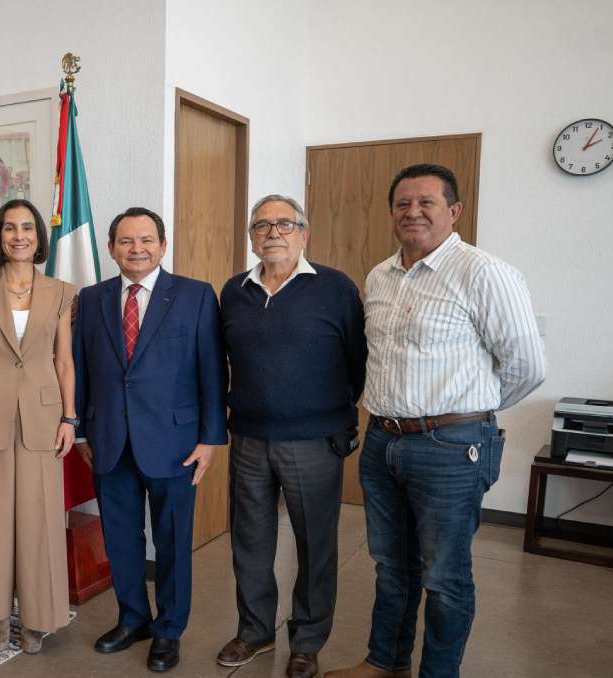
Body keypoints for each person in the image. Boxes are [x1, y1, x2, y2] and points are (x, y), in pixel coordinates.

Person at [325, 164, 545, 678]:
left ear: (454, 210)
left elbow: (528, 367)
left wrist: (468, 415)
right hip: (383, 442)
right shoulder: (380, 275)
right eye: (403, 203)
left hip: (451, 446)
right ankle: (385, 663)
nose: (413, 212)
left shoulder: (484, 272)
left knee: (444, 576)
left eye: (426, 202)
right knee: (391, 565)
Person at [217, 195, 366, 677]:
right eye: (262, 226)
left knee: (315, 545)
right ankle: (256, 630)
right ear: (251, 237)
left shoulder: (336, 288)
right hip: (249, 440)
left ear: (304, 232)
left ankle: (306, 639)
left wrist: (336, 417)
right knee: (250, 541)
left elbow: (358, 362)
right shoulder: (234, 291)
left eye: (285, 224)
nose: (273, 233)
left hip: (314, 441)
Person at [73, 207, 227, 673]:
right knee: (120, 536)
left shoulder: (197, 296)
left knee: (173, 540)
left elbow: (212, 371)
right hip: (109, 438)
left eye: (145, 240)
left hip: (177, 441)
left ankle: (169, 629)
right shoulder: (92, 297)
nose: (135, 248)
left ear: (163, 245)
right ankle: (133, 618)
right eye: (125, 241)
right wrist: (81, 427)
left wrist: (211, 438)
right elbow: (80, 368)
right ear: (111, 248)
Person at [0, 198, 77, 654]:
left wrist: (69, 417)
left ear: (39, 236)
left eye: (26, 227)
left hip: (44, 418)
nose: (18, 235)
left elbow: (64, 360)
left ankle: (36, 620)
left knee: (40, 521)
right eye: (9, 228)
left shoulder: (62, 291)